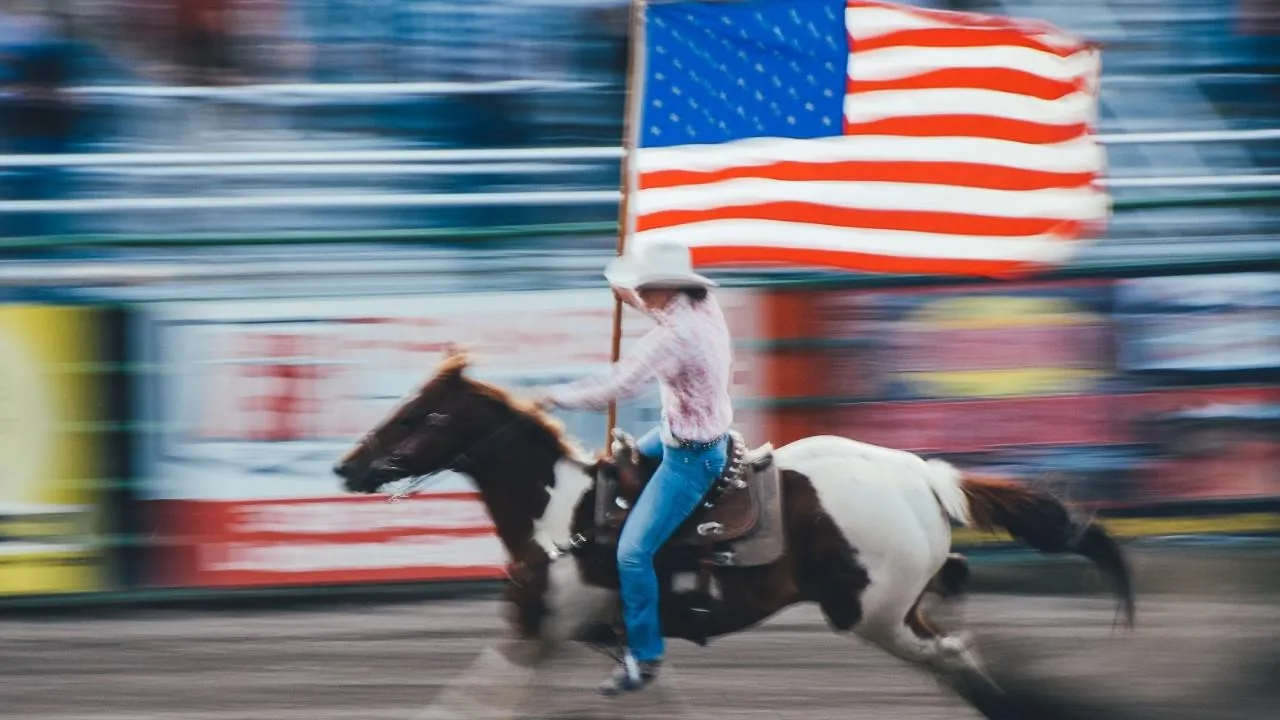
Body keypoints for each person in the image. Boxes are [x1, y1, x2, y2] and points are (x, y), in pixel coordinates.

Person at [532, 239, 734, 696]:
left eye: (642, 289)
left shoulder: (673, 339)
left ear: (661, 287)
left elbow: (616, 386)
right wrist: (631, 297)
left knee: (632, 552)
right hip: (685, 435)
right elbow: (663, 316)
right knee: (613, 475)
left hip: (692, 457)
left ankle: (644, 655)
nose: (638, 296)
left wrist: (554, 396)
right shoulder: (702, 308)